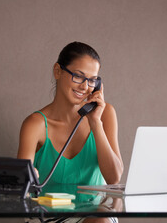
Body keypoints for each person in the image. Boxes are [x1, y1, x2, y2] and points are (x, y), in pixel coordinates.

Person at [17, 42, 123, 223]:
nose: (85, 86)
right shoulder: (35, 124)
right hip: (49, 215)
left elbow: (114, 178)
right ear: (58, 71)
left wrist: (95, 123)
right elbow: (19, 184)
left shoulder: (105, 114)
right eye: (78, 76)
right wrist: (26, 177)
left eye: (92, 80)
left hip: (95, 214)